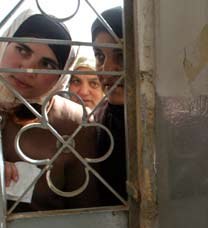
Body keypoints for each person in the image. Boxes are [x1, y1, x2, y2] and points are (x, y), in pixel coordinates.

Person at [0, 10, 99, 211]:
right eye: (23, 50)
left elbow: (84, 210)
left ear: (61, 77)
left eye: (47, 64)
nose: (28, 69)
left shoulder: (75, 122)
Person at [90, 7, 127, 205]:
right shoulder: (95, 122)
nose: (107, 69)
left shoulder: (174, 123)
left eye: (120, 55)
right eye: (99, 56)